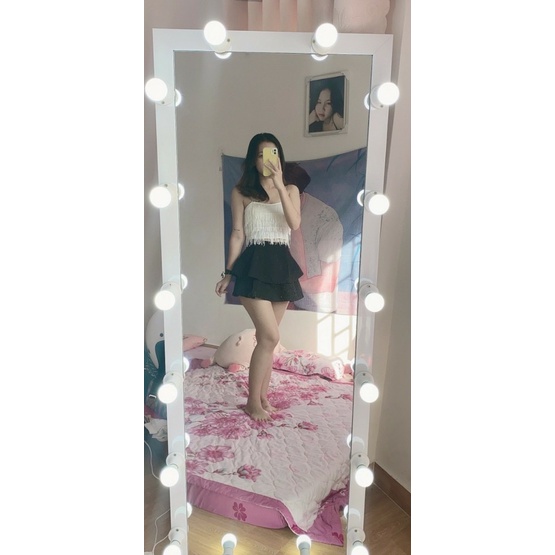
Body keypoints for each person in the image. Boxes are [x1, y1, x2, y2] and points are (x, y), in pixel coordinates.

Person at [215, 133, 303, 421]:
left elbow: (294, 223)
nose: (268, 159)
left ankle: (263, 397)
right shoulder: (241, 192)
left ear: (280, 157)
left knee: (268, 340)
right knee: (270, 336)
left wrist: (278, 183)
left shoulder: (290, 189)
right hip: (253, 265)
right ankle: (253, 402)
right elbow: (237, 234)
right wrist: (228, 273)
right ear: (253, 159)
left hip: (281, 266)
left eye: (273, 153)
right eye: (262, 154)